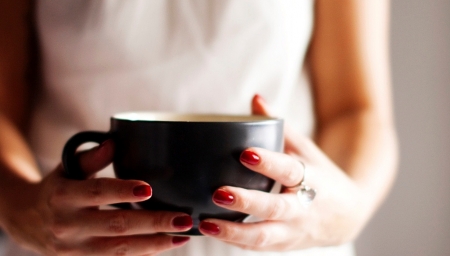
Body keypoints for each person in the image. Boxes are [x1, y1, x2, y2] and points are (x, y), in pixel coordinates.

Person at [0, 0, 398, 255]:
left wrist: (349, 208)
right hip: (70, 242)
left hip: (284, 242)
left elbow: (357, 110)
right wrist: (20, 202)